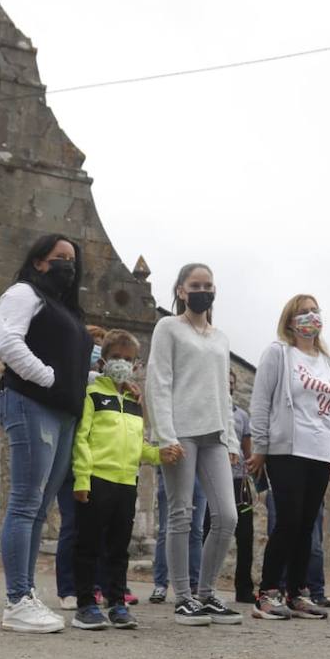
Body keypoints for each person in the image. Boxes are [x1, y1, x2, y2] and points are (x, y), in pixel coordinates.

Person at [0, 234, 93, 634]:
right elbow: (8, 343)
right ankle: (16, 600)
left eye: (72, 260)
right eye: (59, 258)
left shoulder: (66, 310)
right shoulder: (23, 293)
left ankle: (26, 594)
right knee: (24, 502)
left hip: (63, 412)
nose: (67, 265)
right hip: (31, 403)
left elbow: (69, 360)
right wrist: (49, 378)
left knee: (39, 508)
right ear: (38, 261)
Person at [144, 263, 244, 626]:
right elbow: (158, 380)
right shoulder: (168, 327)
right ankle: (183, 597)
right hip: (180, 433)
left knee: (226, 516)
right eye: (195, 285)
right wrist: (165, 435)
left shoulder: (220, 338)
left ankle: (206, 593)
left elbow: (223, 391)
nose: (203, 290)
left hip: (214, 434)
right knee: (181, 514)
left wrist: (231, 438)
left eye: (209, 285)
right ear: (182, 291)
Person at [247, 295, 330, 621]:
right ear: (290, 321)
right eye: (302, 313)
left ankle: (297, 592)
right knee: (288, 520)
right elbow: (260, 402)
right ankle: (268, 592)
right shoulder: (279, 353)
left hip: (320, 451)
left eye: (314, 311)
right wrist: (259, 447)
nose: (310, 317)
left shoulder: (328, 362)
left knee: (308, 524)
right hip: (287, 449)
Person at [70, 330, 166, 631]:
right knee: (88, 545)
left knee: (118, 547)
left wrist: (162, 454)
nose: (122, 363)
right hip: (97, 478)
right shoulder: (92, 394)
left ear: (136, 364)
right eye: (116, 357)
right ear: (103, 360)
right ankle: (85, 604)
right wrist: (82, 479)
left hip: (127, 483)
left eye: (128, 359)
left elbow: (139, 447)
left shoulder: (136, 401)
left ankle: (116, 604)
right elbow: (81, 439)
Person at [57, 325, 108, 611]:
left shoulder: (108, 385)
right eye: (94, 344)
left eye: (102, 344)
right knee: (72, 525)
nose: (97, 349)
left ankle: (94, 585)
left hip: (95, 461)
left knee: (95, 527)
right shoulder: (73, 377)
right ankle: (67, 588)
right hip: (70, 460)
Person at [203, 369, 257, 603]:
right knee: (208, 532)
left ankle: (243, 589)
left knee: (245, 536)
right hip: (211, 481)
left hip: (238, 482)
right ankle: (203, 585)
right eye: (226, 381)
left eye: (232, 382)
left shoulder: (242, 416)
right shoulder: (207, 410)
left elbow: (247, 450)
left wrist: (250, 476)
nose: (229, 385)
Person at [149, 474, 205, 603]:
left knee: (196, 530)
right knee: (165, 529)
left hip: (199, 473)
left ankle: (194, 584)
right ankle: (160, 585)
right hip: (171, 470)